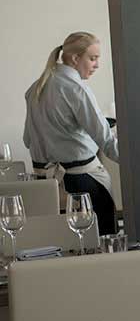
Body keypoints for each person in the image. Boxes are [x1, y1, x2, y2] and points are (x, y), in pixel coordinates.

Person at [23, 31, 119, 235]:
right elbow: (107, 143)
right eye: (93, 58)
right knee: (99, 246)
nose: (97, 65)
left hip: (46, 186)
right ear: (76, 58)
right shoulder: (77, 89)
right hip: (83, 185)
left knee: (63, 248)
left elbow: (27, 139)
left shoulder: (35, 88)